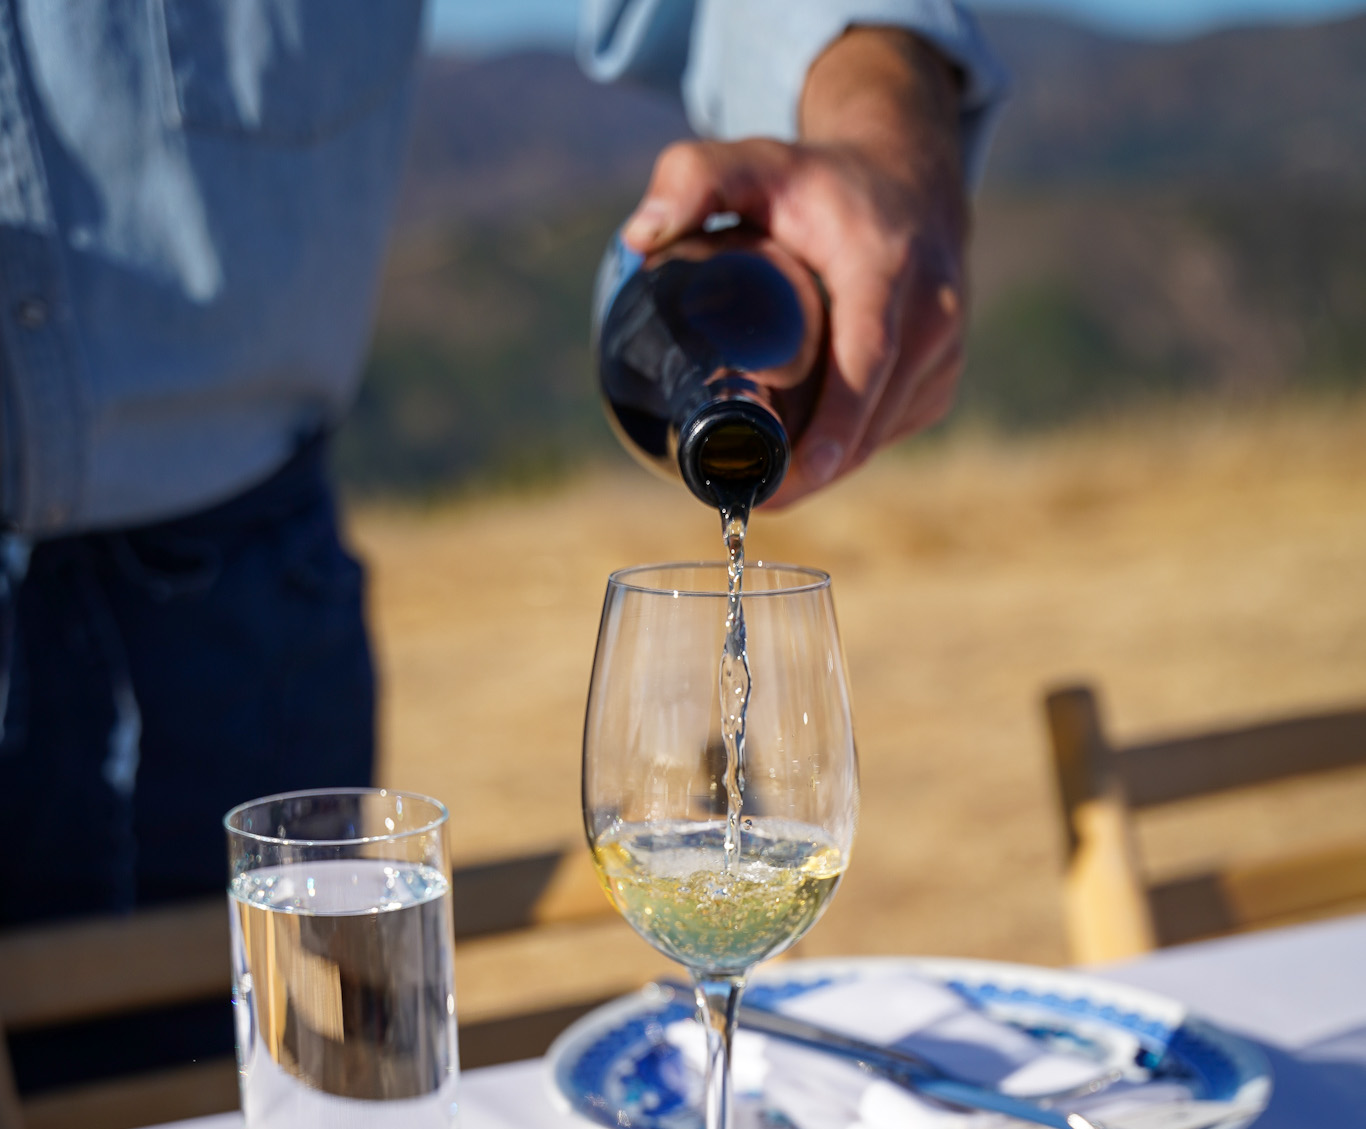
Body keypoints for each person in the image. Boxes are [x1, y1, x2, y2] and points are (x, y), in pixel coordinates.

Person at [0, 0, 1005, 933]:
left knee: (292, 1104)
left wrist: (878, 122)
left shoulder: (719, 363)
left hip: (243, 593)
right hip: (249, 574)